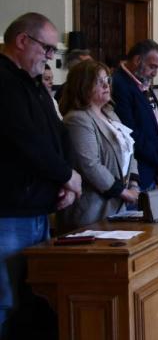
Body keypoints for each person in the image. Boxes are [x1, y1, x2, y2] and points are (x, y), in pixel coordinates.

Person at [0, 12, 81, 340]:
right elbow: (24, 140)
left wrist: (64, 181)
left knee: (29, 298)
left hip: (37, 206)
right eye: (46, 48)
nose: (50, 57)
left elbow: (56, 134)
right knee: (4, 301)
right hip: (8, 211)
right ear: (22, 41)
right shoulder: (3, 81)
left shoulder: (31, 83)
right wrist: (66, 176)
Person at [58, 60, 140, 232]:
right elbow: (90, 165)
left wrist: (133, 184)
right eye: (98, 81)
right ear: (82, 86)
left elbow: (129, 149)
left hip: (117, 203)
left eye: (107, 80)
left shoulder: (110, 113)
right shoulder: (77, 119)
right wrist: (122, 192)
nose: (106, 85)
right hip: (92, 209)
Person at [112, 40, 158, 191]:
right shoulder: (119, 84)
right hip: (139, 169)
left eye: (157, 68)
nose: (155, 73)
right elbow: (130, 131)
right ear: (137, 60)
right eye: (152, 66)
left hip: (152, 167)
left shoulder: (142, 81)